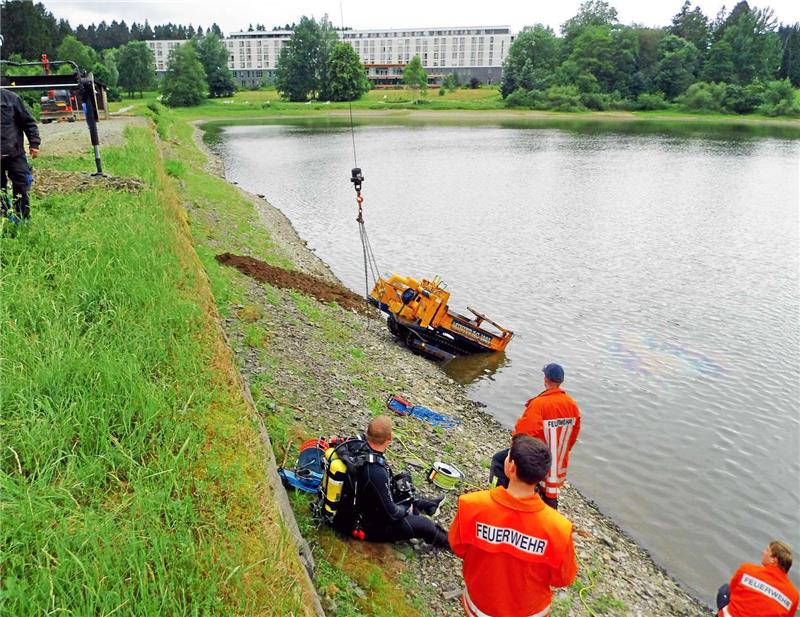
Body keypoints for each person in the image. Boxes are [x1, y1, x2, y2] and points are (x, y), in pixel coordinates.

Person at [449, 435, 577, 617]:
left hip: (480, 606)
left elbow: (458, 547)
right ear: (542, 475)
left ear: (511, 467)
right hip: (529, 612)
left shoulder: (471, 505)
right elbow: (563, 578)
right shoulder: (559, 528)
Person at [337, 415, 448, 548]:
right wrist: (406, 507)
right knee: (426, 525)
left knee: (403, 483)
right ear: (389, 437)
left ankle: (430, 505)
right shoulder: (374, 471)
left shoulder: (357, 445)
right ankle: (452, 544)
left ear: (367, 432)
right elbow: (393, 514)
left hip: (356, 506)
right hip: (366, 526)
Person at [490, 363, 581, 509]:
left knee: (499, 460)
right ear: (561, 381)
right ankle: (549, 512)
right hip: (556, 460)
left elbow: (523, 434)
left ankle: (501, 499)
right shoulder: (572, 405)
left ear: (545, 379)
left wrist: (513, 454)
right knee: (549, 492)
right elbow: (573, 435)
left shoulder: (540, 404)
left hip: (535, 456)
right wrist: (562, 453)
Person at [717, 541, 798, 617]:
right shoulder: (794, 596)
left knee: (725, 590)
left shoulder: (747, 569)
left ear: (774, 560)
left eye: (767, 550)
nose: (763, 552)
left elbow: (732, 590)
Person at [1, 86, 40, 220]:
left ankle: (22, 219)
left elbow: (28, 122)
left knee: (22, 185)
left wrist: (34, 143)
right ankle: (3, 219)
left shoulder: (11, 98)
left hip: (14, 153)